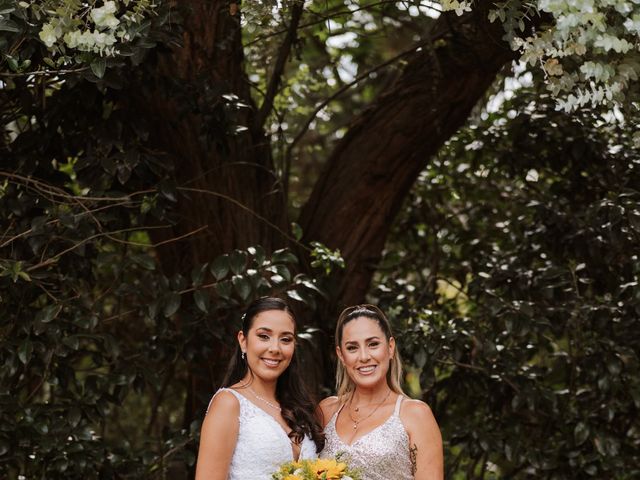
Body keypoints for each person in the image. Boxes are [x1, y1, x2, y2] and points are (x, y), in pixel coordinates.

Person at [195, 297, 324, 480]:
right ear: (243, 340)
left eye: (285, 339)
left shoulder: (301, 409)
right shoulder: (228, 403)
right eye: (264, 336)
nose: (275, 348)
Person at [318, 304, 443, 480]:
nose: (364, 356)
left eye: (373, 344)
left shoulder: (415, 415)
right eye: (352, 347)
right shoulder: (326, 411)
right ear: (341, 355)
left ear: (390, 347)